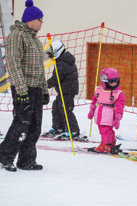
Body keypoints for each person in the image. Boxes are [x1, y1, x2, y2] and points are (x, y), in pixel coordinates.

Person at [0, 0, 49, 172]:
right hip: (23, 87)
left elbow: (40, 69)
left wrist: (43, 90)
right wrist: (21, 90)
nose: (42, 22)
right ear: (31, 19)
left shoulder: (35, 41)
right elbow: (13, 64)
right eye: (40, 19)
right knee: (22, 123)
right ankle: (5, 156)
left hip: (35, 88)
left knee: (35, 125)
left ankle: (26, 160)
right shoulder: (16, 36)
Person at [43, 40, 86, 141]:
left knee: (65, 110)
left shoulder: (62, 64)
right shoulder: (63, 61)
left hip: (67, 91)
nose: (50, 57)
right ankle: (58, 128)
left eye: (50, 54)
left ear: (57, 51)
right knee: (56, 107)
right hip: (63, 91)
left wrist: (44, 85)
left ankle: (73, 131)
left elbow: (56, 79)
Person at [87, 68, 125, 153]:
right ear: (104, 81)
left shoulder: (118, 93)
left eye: (116, 80)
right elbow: (94, 100)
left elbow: (120, 106)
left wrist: (117, 118)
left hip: (109, 114)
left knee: (105, 130)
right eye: (111, 81)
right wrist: (91, 110)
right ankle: (110, 143)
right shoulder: (99, 90)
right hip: (99, 112)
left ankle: (106, 145)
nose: (114, 83)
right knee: (104, 129)